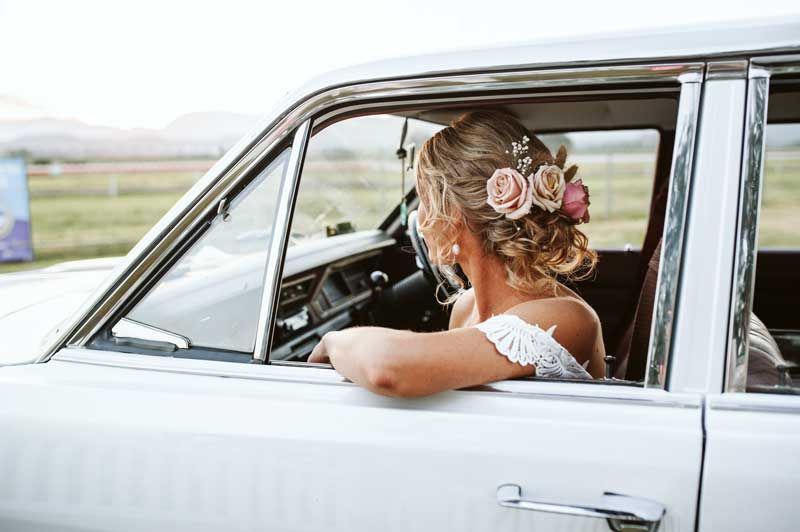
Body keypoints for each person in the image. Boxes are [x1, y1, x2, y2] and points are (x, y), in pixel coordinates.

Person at [309, 110, 605, 396]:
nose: (420, 219)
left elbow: (387, 367)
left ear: (456, 214)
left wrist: (332, 341)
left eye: (425, 200)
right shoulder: (465, 306)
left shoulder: (568, 317)